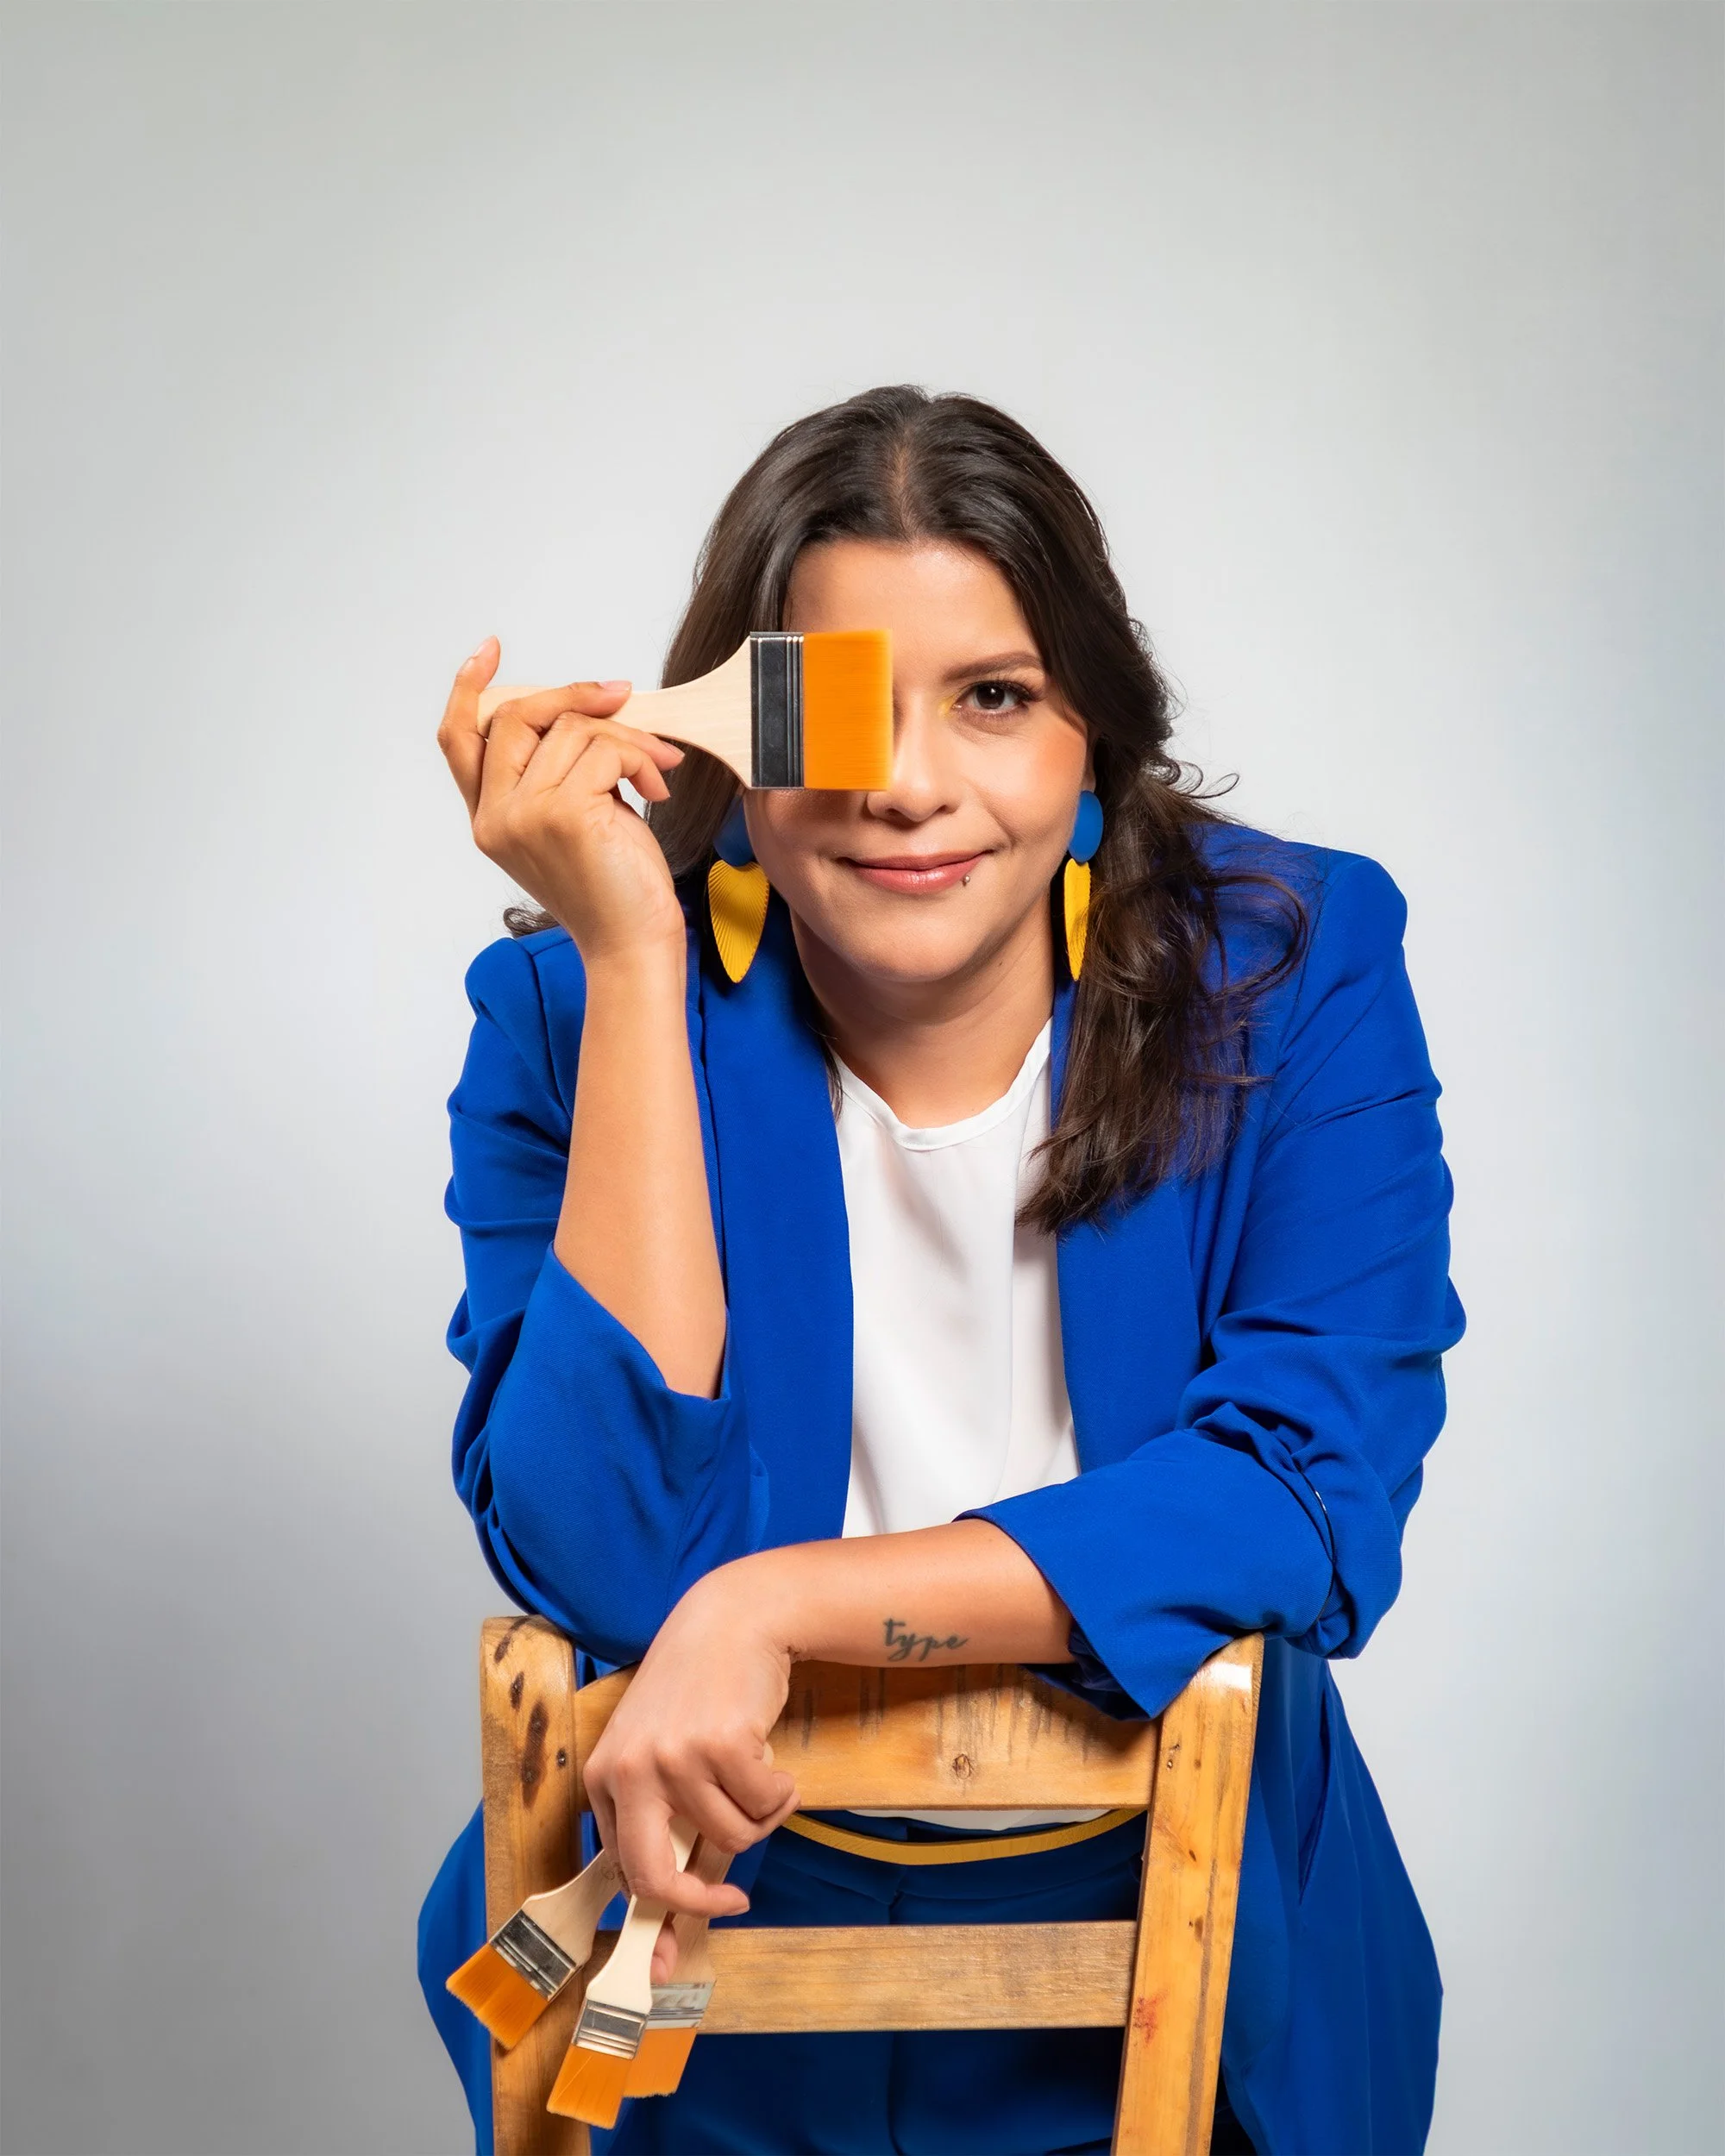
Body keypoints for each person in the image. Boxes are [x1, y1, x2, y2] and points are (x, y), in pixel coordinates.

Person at [416, 385, 1464, 2156]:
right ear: (735, 740)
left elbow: (1305, 1494)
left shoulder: (1295, 969)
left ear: (1091, 737)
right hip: (714, 1947)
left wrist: (771, 1607)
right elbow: (600, 1554)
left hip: (1192, 1944)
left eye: (993, 697)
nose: (907, 784)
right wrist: (629, 953)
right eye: (831, 704)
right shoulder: (570, 1007)